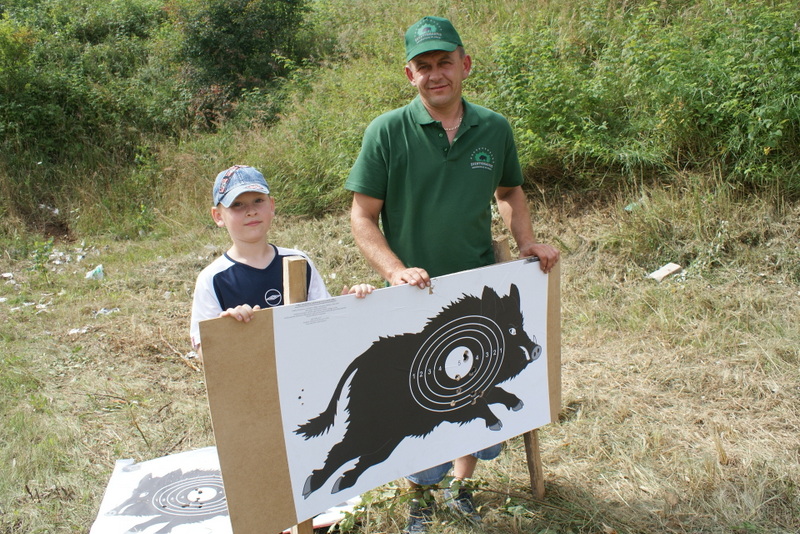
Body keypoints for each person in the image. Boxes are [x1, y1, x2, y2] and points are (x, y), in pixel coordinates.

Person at [344, 16, 560, 533]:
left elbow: (509, 191)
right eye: (423, 66)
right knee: (419, 400)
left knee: (475, 389)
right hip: (414, 299)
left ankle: (462, 484)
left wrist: (525, 241)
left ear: (465, 65)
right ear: (409, 74)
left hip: (478, 292)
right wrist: (395, 270)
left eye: (444, 62)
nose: (435, 73)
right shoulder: (386, 132)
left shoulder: (494, 128)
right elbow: (362, 216)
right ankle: (421, 493)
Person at [191, 164, 373, 357]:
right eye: (237, 204)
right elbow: (204, 352)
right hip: (253, 373)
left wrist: (348, 306)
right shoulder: (212, 278)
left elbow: (325, 325)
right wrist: (226, 328)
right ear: (218, 216)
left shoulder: (299, 261)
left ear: (271, 206)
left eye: (258, 200)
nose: (251, 211)